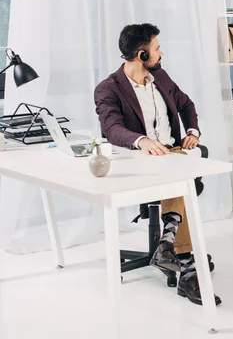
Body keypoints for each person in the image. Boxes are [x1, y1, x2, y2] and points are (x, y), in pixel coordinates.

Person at [94, 23, 220, 305]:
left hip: (174, 151)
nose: (161, 52)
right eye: (156, 48)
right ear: (141, 54)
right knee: (182, 180)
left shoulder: (159, 76)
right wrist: (141, 141)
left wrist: (192, 132)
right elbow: (112, 128)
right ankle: (186, 265)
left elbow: (186, 104)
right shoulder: (108, 89)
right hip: (141, 160)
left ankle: (167, 244)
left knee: (180, 172)